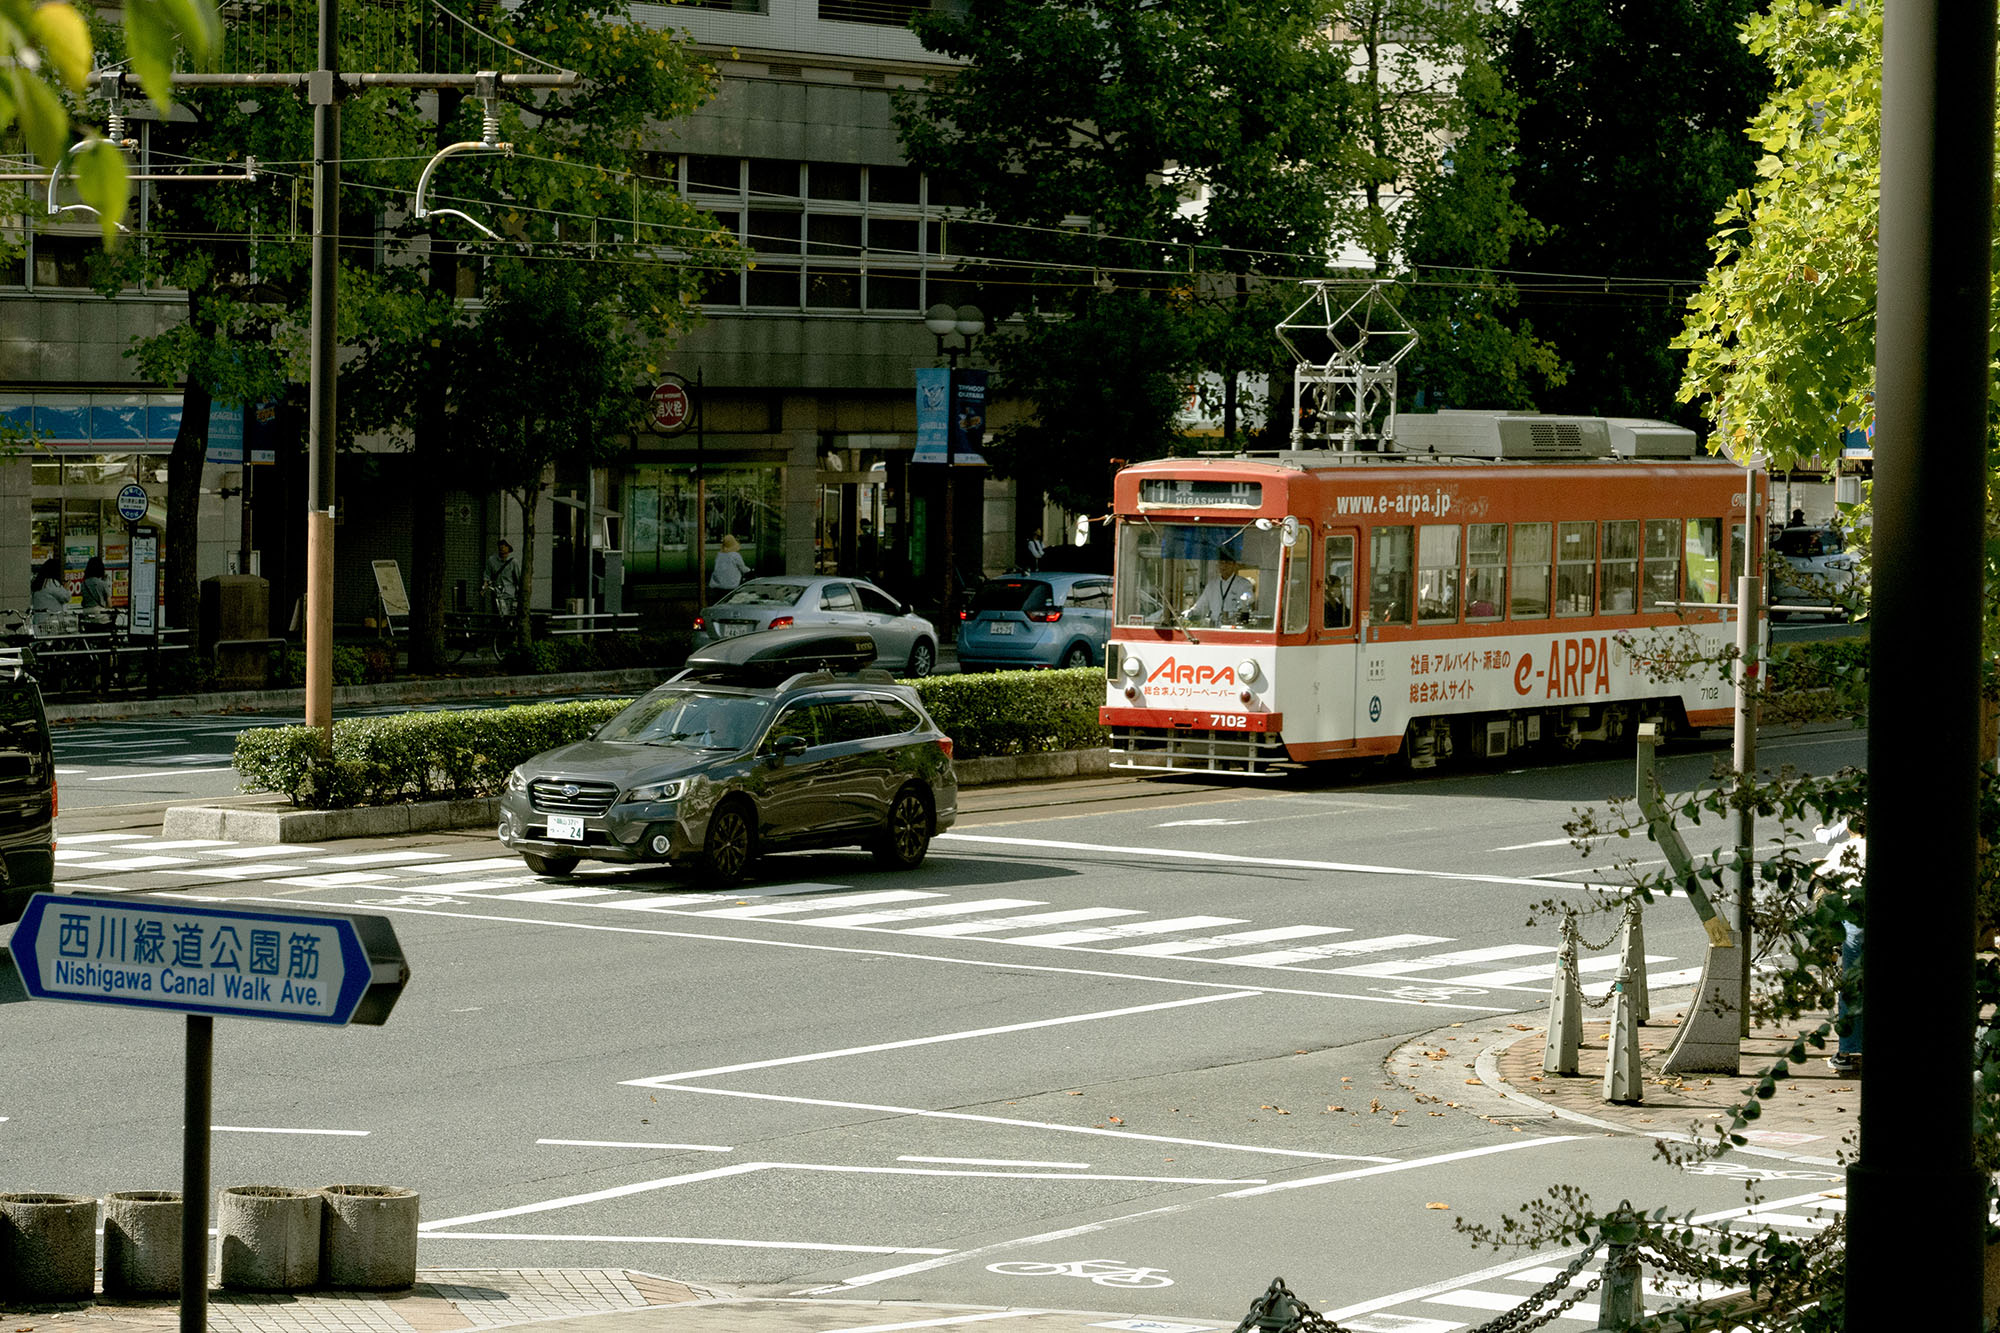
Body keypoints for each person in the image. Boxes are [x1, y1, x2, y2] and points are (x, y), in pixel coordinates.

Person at [1814, 813, 1866, 1077]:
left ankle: (1846, 1052)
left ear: (1848, 828)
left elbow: (1821, 875)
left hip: (1858, 920)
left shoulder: (1845, 848)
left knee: (1853, 984)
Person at [1189, 552, 1255, 625]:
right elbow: (1201, 605)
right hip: (1214, 626)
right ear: (1218, 565)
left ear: (1234, 565)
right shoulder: (1212, 584)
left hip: (1234, 626)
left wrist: (1246, 599)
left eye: (1227, 563)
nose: (1224, 566)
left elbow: (1249, 599)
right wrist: (1191, 612)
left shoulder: (1243, 583)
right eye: (1221, 563)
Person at [483, 540, 521, 616]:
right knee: (497, 614)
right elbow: (487, 575)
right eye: (500, 545)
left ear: (508, 548)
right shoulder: (492, 560)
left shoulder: (513, 562)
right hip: (496, 592)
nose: (502, 547)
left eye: (504, 545)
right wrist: (484, 587)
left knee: (507, 614)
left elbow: (518, 577)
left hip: (509, 593)